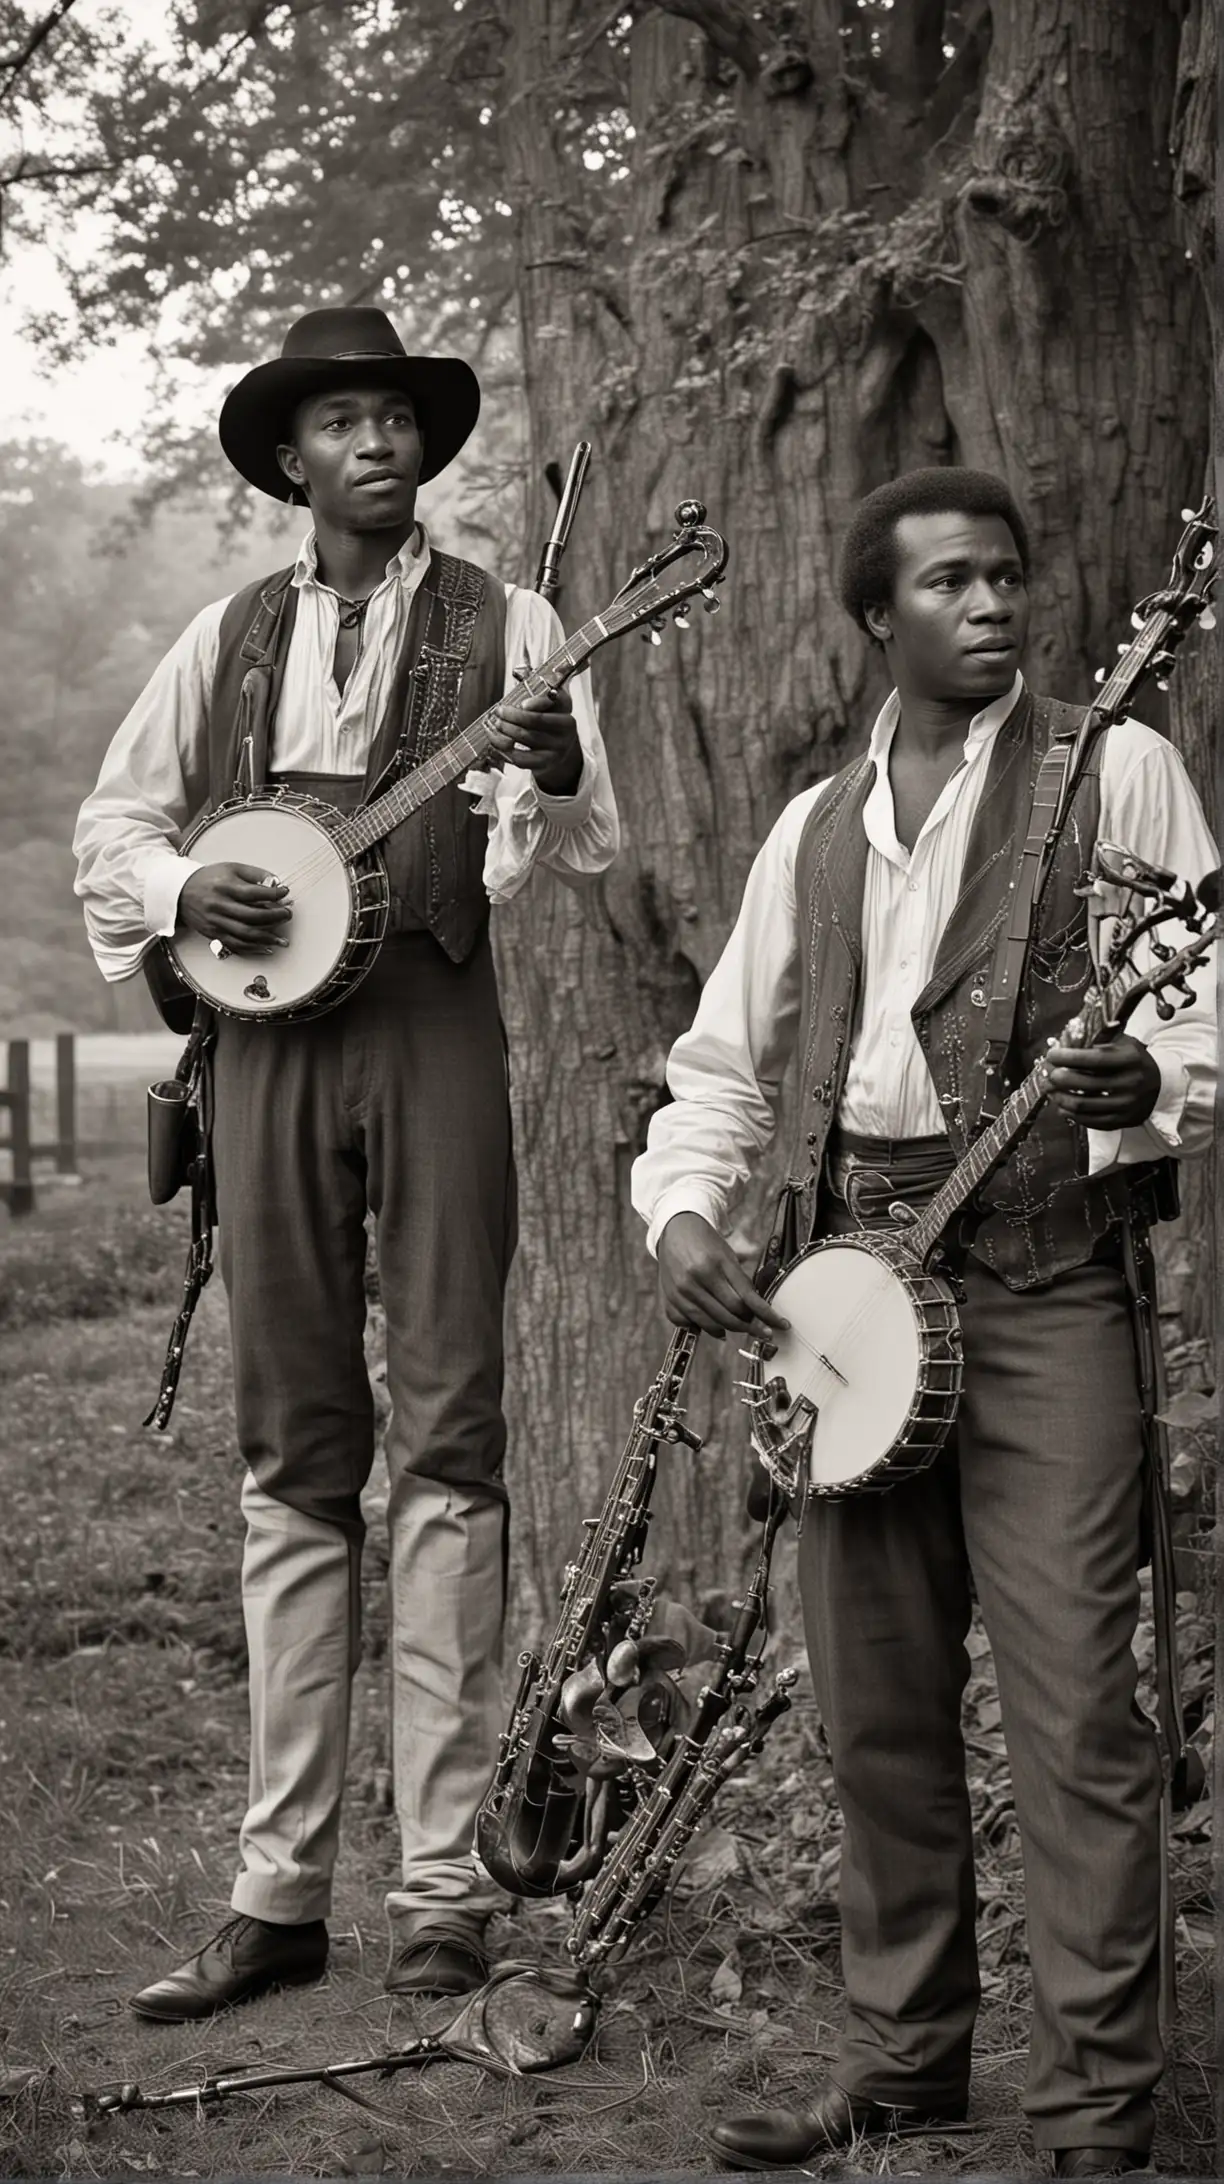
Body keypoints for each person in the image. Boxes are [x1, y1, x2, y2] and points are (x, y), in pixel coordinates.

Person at [630, 468, 1217, 2179]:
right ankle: (903, 2065)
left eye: (1010, 576)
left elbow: (1209, 1002)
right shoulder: (816, 827)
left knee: (1072, 1714)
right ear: (876, 619)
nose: (993, 602)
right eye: (950, 582)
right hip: (846, 1298)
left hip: (1047, 1285)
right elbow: (725, 1065)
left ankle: (1099, 2111)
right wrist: (681, 1218)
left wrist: (1145, 1090)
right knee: (876, 1710)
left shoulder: (1119, 767)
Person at [74, 306, 619, 2018]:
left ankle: (442, 1887)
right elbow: (117, 829)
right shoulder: (227, 637)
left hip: (436, 1027)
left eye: (398, 417)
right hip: (264, 1051)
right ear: (291, 460)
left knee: (451, 1437)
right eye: (342, 423)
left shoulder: (514, 619)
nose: (377, 442)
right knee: (294, 1448)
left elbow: (591, 846)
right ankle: (277, 1888)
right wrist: (185, 896)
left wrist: (555, 764)